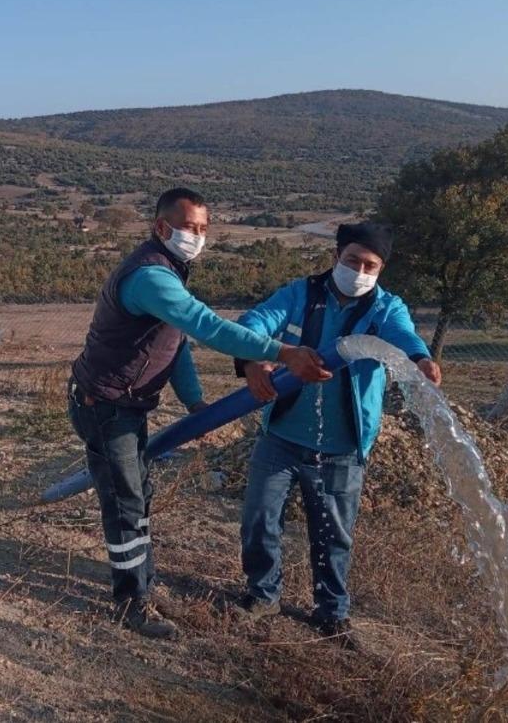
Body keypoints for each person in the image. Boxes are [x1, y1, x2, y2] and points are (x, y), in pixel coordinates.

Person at [68, 187, 326, 639]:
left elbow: (175, 343)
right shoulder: (151, 277)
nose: (197, 236)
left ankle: (141, 584)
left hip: (123, 405)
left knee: (137, 495)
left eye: (204, 229)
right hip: (105, 405)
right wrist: (282, 352)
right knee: (125, 501)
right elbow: (205, 326)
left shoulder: (169, 271)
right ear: (161, 227)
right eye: (189, 228)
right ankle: (131, 603)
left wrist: (194, 403)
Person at [231, 222, 441, 646]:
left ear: (380, 269)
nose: (359, 271)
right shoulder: (301, 295)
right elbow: (255, 321)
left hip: (343, 447)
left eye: (370, 265)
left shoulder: (385, 309)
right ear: (336, 258)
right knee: (259, 518)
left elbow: (404, 336)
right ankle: (263, 594)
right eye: (352, 261)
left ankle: (331, 612)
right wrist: (253, 362)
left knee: (334, 533)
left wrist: (420, 359)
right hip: (283, 437)